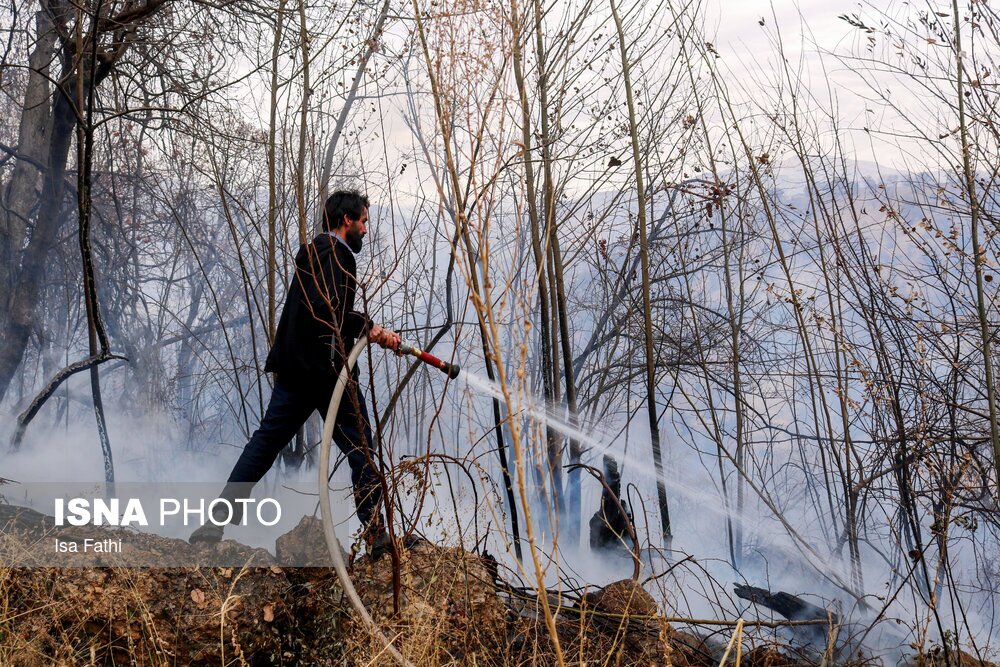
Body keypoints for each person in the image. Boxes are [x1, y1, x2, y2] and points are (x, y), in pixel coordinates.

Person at [189, 190, 400, 550]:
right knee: (361, 447)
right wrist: (369, 327)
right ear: (346, 220)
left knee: (266, 442)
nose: (366, 229)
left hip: (298, 370)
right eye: (363, 221)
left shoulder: (316, 254)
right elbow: (325, 311)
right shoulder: (336, 256)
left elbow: (319, 309)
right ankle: (376, 534)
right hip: (326, 372)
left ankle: (215, 522)